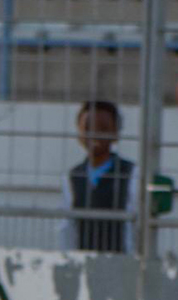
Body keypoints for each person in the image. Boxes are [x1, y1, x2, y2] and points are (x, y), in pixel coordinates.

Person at [59, 100, 138, 254]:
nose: (94, 134)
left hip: (120, 259)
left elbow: (135, 226)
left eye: (103, 128)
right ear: (79, 133)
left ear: (115, 134)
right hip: (82, 259)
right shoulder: (72, 176)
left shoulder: (131, 173)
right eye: (88, 128)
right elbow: (67, 226)